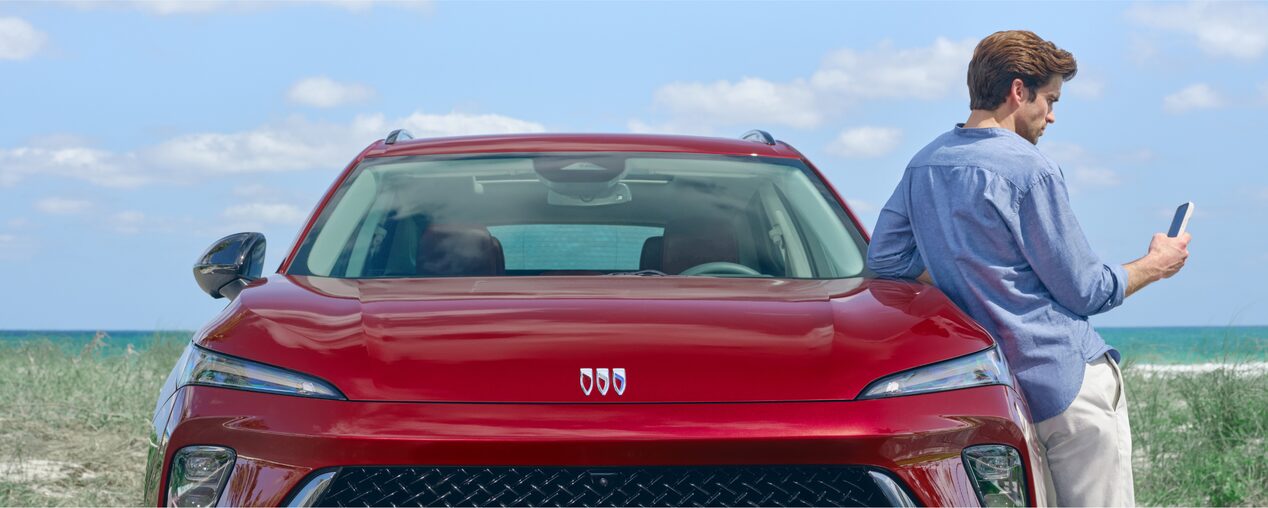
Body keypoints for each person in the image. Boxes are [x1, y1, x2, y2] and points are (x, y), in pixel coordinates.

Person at [866, 30, 1190, 507]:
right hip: (1066, 385)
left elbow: (885, 263)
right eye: (1051, 99)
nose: (1052, 115)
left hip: (994, 392)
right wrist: (1157, 264)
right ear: (1019, 91)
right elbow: (1086, 290)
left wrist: (967, 261)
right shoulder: (1028, 168)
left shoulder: (924, 165)